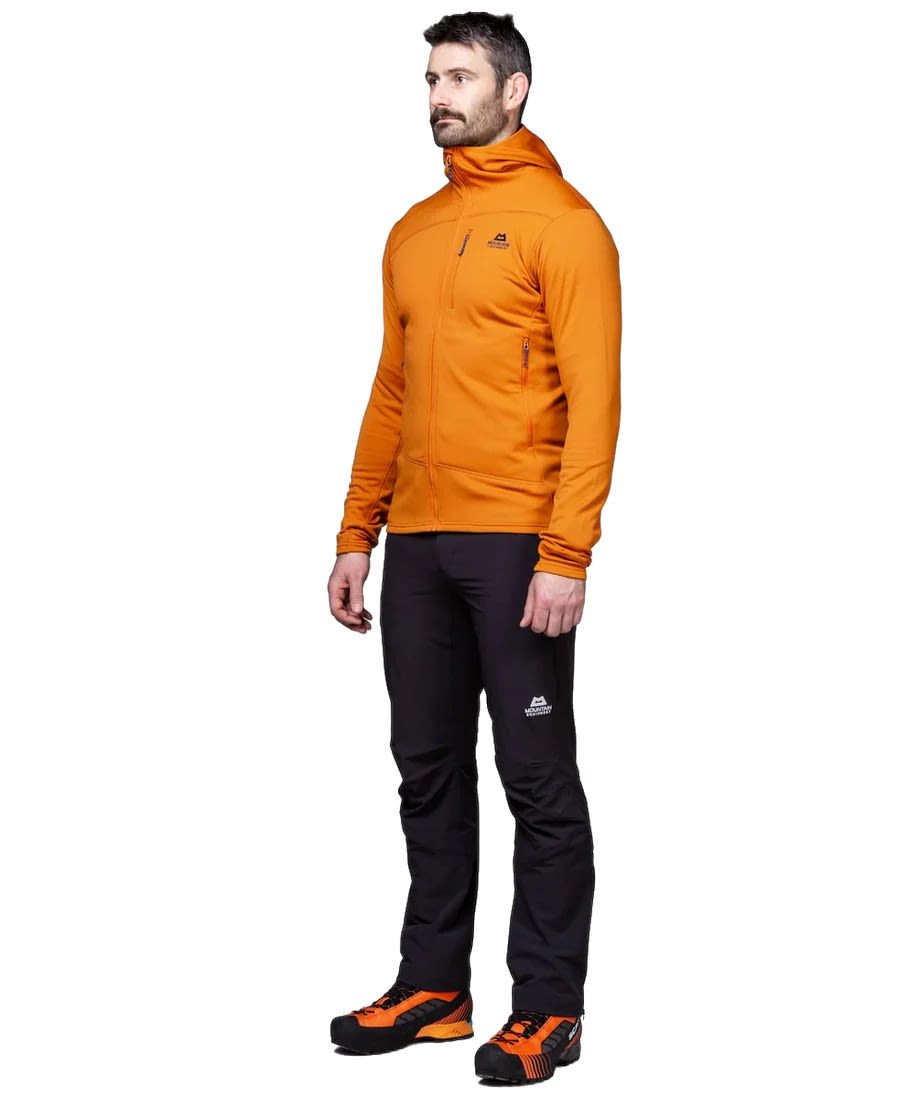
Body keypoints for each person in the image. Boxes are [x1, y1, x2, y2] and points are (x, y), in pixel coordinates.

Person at [326, 11, 622, 1085]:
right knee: (426, 768)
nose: (438, 95)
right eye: (430, 78)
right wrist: (357, 531)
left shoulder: (565, 225)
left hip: (515, 543)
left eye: (458, 77)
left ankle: (547, 1006)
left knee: (536, 777)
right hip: (418, 542)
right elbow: (390, 390)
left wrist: (566, 551)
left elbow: (596, 401)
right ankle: (435, 987)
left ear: (515, 89)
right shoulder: (412, 230)